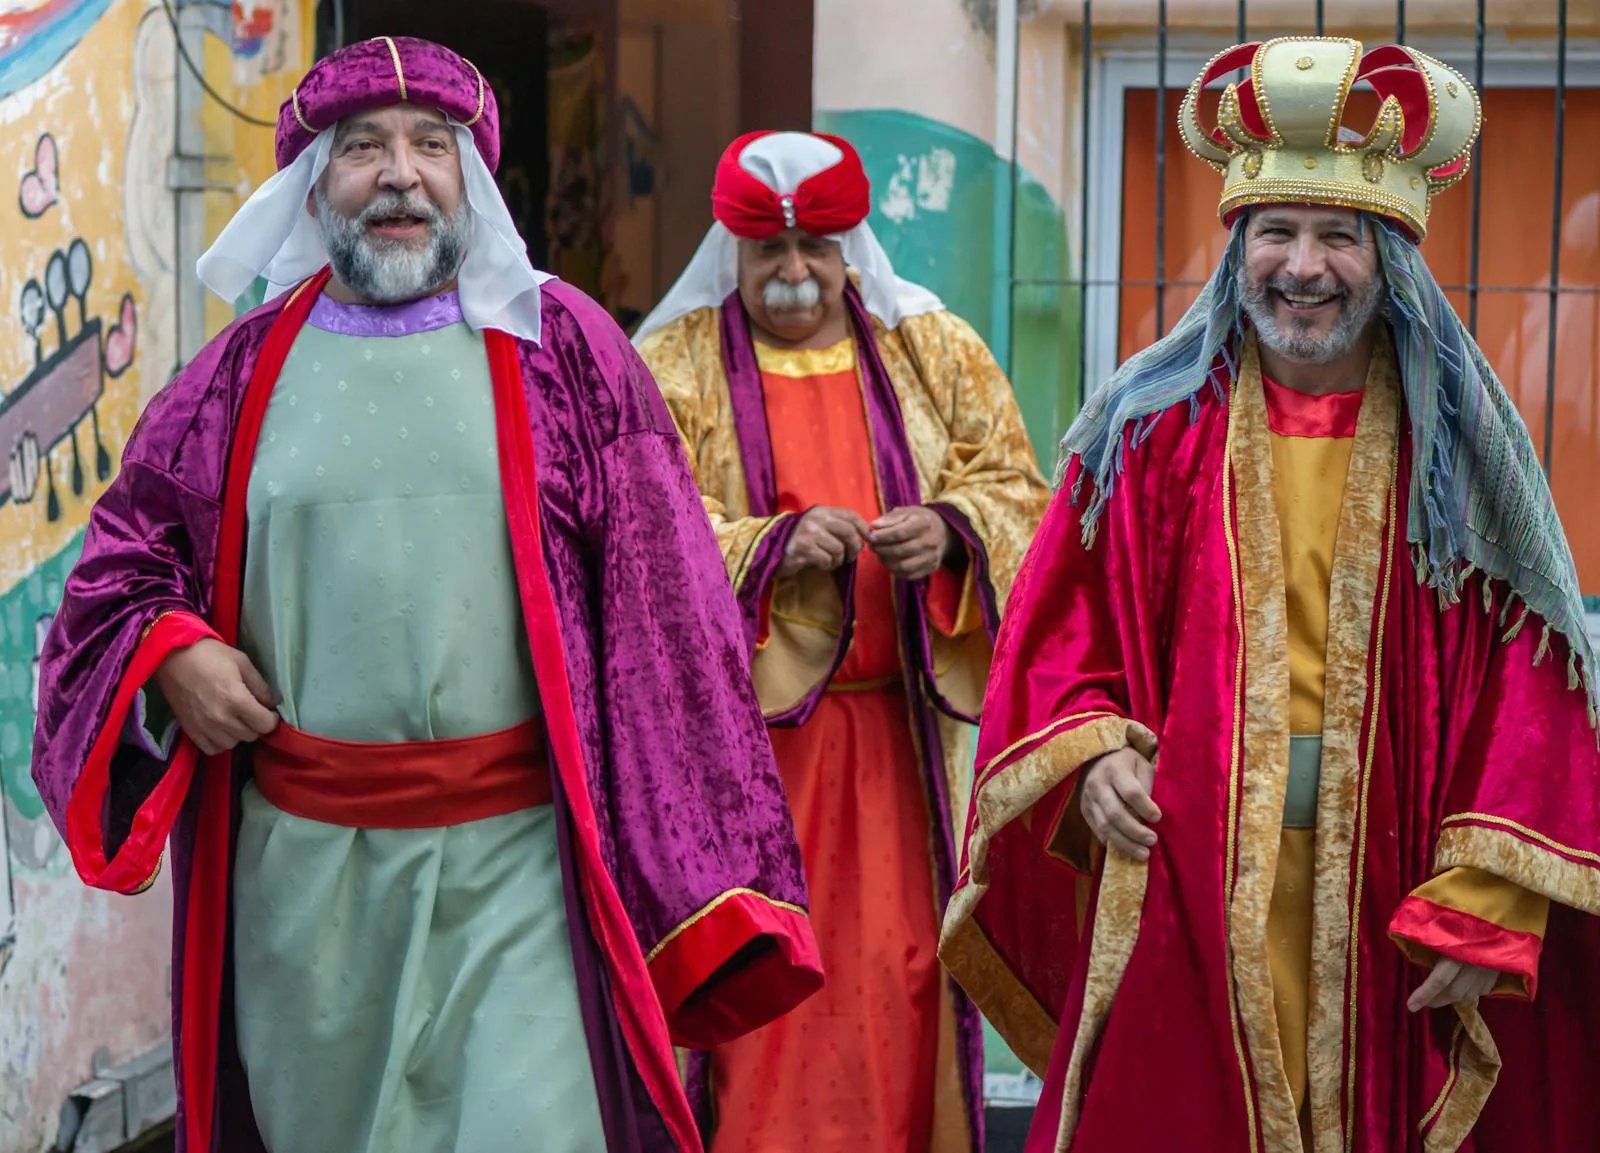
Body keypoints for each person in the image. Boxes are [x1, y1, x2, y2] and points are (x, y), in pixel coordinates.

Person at [31, 36, 823, 1153]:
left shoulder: (567, 354)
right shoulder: (229, 380)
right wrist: (167, 649)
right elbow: (117, 575)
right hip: (303, 894)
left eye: (429, 146)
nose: (399, 173)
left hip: (521, 879)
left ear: (472, 180)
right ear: (314, 184)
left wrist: (698, 879)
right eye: (363, 148)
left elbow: (672, 618)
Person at [939, 36, 1600, 1153]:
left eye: (1337, 236)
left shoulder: (1465, 459)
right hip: (1183, 884)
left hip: (1393, 894)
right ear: (1234, 250)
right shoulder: (1146, 436)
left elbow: (1529, 686)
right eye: (1276, 234)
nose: (1303, 265)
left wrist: (1487, 900)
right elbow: (1054, 639)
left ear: (1387, 257)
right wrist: (1091, 752)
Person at [634, 130, 1050, 1152]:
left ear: (851, 242)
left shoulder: (933, 350)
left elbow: (1021, 497)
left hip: (900, 752)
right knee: (760, 991)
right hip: (743, 761)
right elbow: (638, 533)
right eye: (769, 252)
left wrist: (949, 533)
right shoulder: (667, 366)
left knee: (902, 969)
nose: (793, 273)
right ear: (730, 248)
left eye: (815, 250)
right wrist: (769, 546)